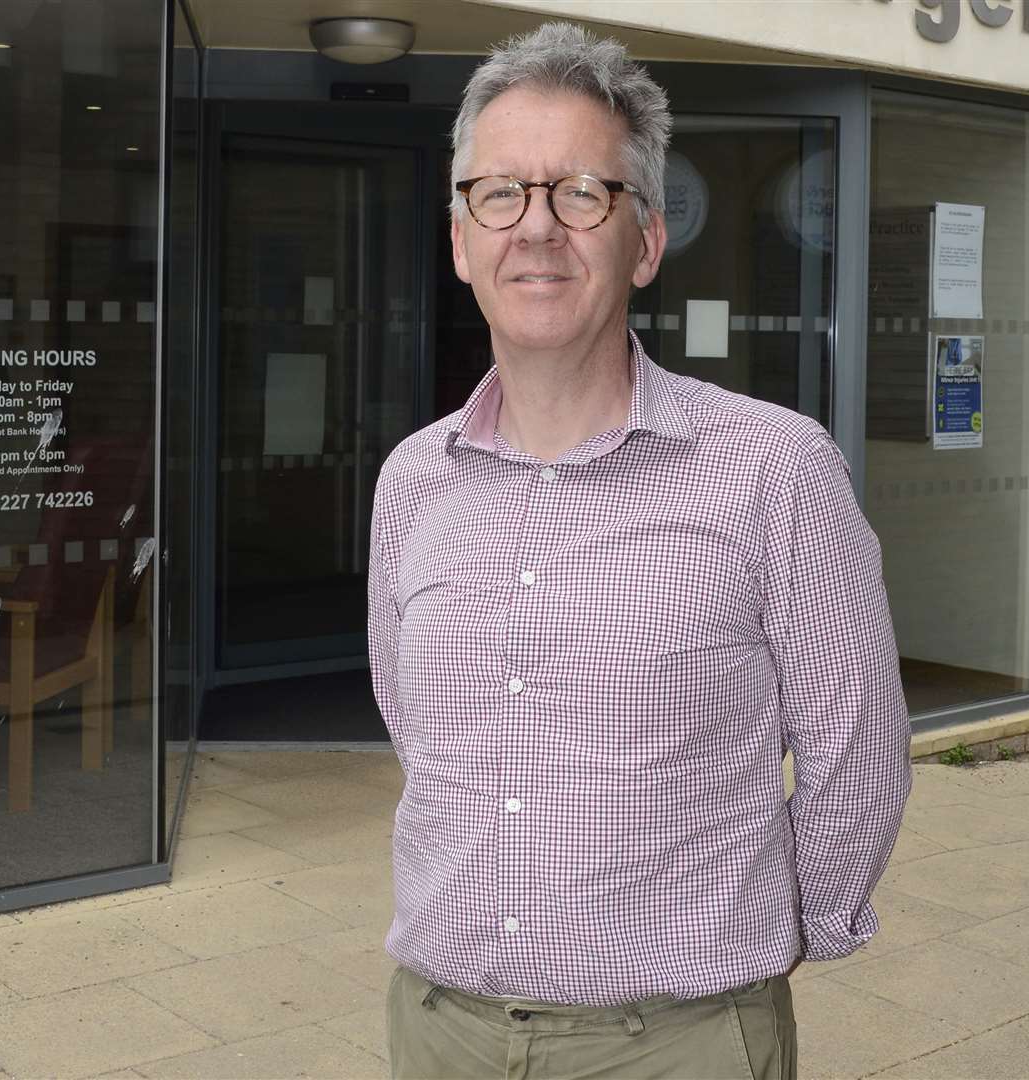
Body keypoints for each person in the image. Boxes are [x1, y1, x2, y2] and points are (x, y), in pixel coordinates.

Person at [367, 21, 912, 1080]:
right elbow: (420, 735)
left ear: (645, 240)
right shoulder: (410, 481)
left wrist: (771, 941)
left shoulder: (773, 469)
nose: (535, 228)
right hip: (439, 1028)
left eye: (581, 193)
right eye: (499, 194)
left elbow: (857, 756)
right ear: (459, 240)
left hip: (677, 1042)